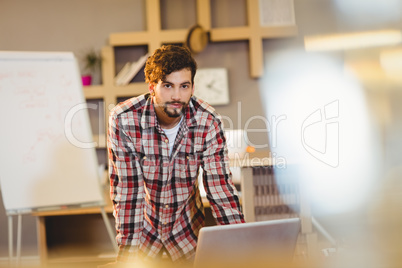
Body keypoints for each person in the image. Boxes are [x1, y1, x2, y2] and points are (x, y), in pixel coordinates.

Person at [106, 45, 245, 265]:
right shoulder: (124, 120)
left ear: (192, 87)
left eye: (184, 86)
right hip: (143, 234)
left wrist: (241, 249)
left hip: (187, 233)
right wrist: (129, 259)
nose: (177, 96)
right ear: (152, 87)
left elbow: (220, 190)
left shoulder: (208, 122)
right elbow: (129, 194)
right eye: (168, 86)